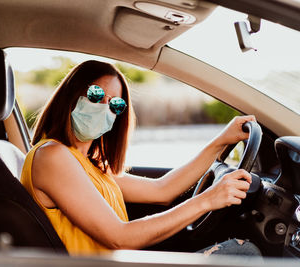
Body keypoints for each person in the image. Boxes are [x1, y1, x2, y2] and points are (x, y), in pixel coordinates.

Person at [20, 60, 261, 256]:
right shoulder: (52, 156)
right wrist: (208, 200)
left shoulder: (87, 162)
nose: (104, 107)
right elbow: (119, 238)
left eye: (115, 104)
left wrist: (221, 140)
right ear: (71, 94)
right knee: (244, 253)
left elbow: (162, 190)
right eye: (95, 95)